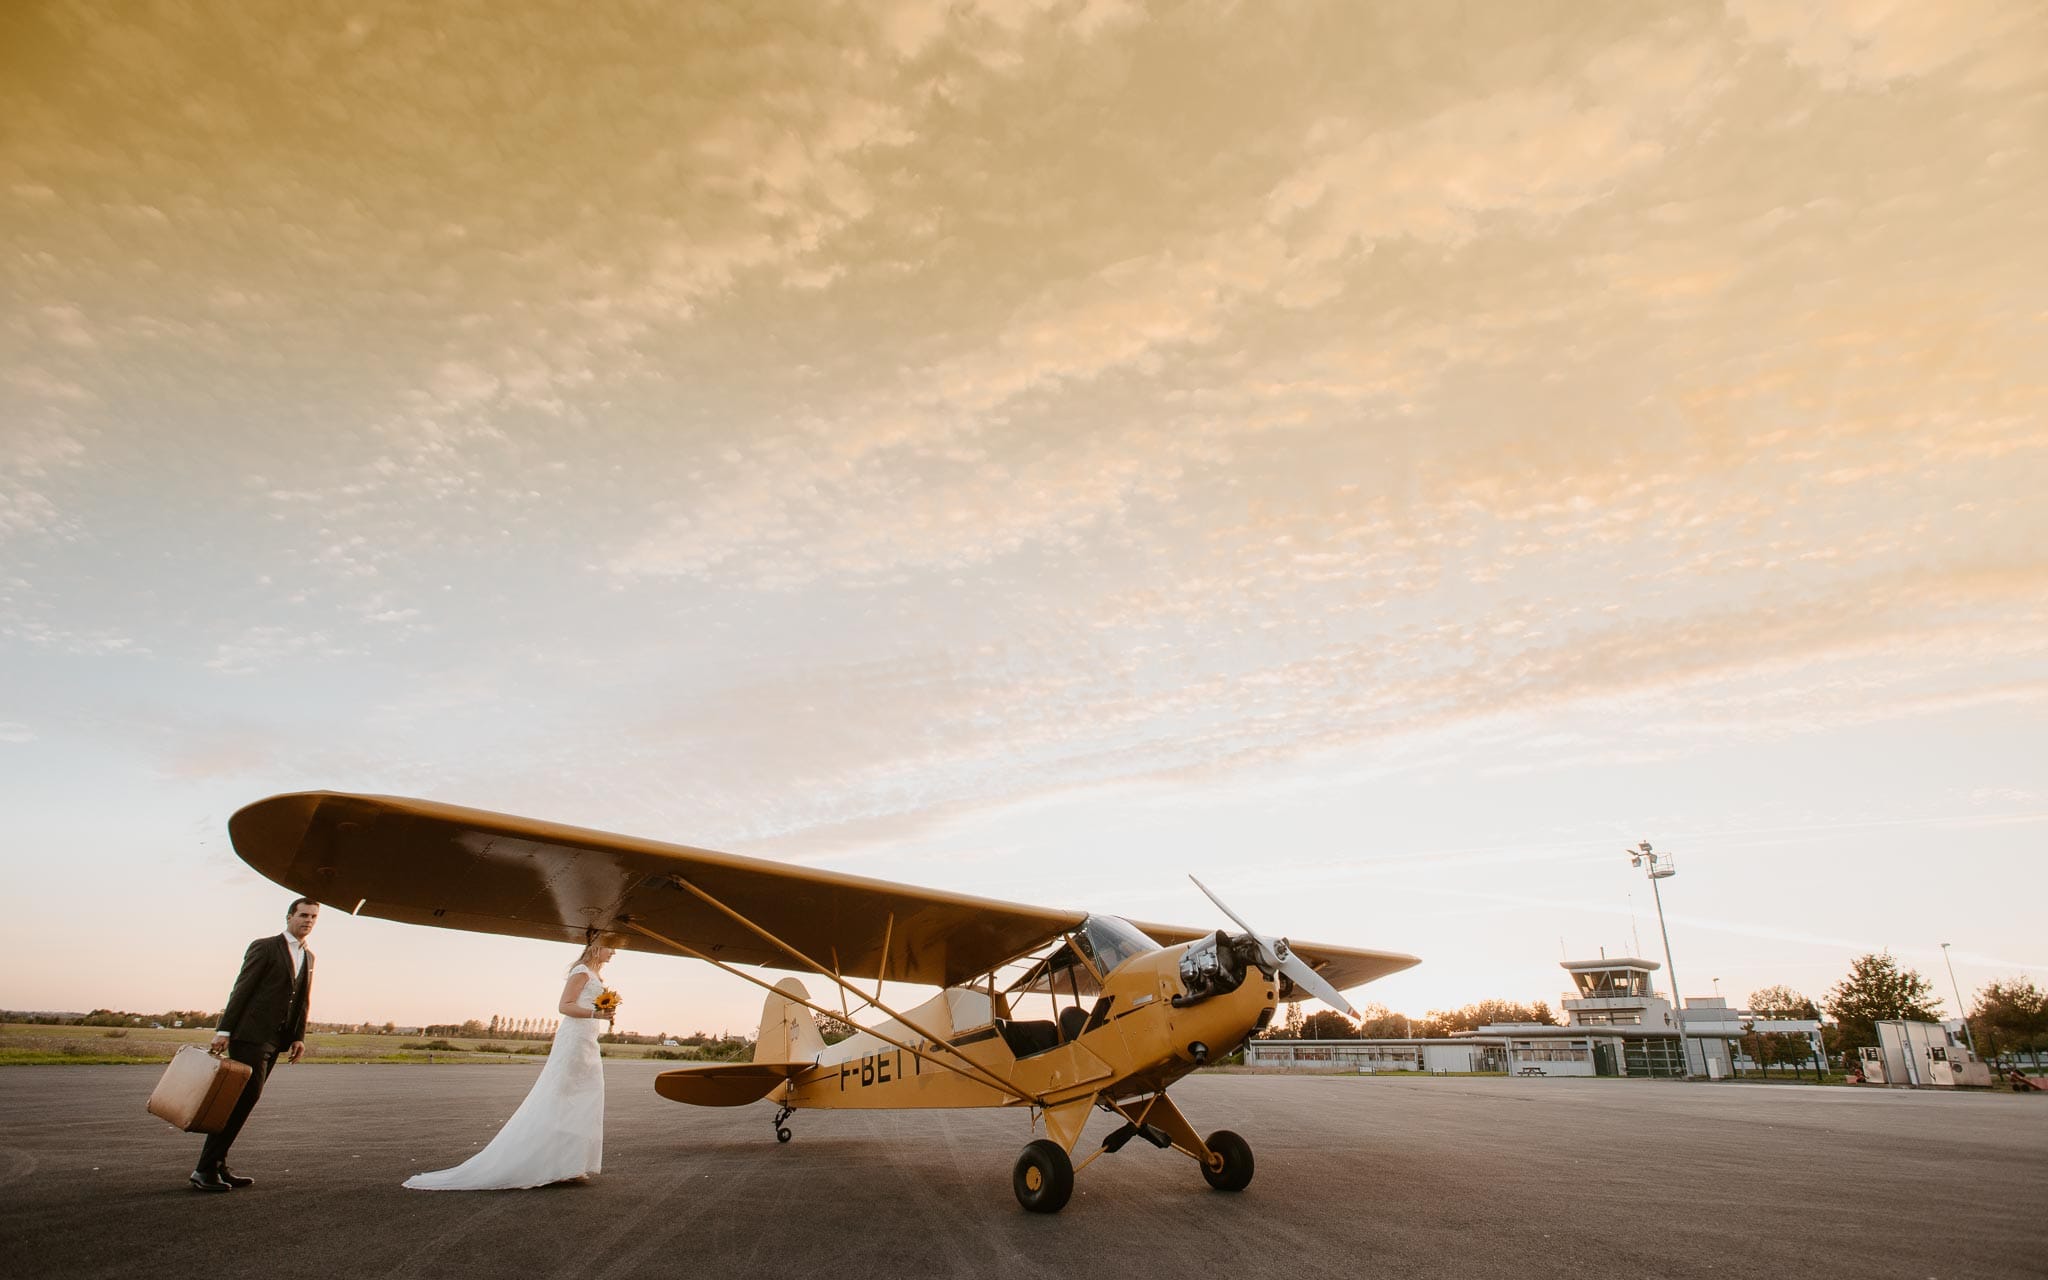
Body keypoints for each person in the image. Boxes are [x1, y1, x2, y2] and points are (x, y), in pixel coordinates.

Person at [404, 941, 616, 1190]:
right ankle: (552, 1164)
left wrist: (603, 1013)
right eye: (609, 947)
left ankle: (569, 1164)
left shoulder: (595, 975)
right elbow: (564, 1006)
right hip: (574, 1040)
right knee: (562, 1096)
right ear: (595, 947)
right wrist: (595, 1014)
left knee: (583, 1097)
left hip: (588, 1040)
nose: (613, 952)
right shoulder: (581, 971)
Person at [191, 897, 319, 1192]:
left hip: (277, 1039)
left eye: (313, 917)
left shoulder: (309, 957)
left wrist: (299, 1036)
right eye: (303, 915)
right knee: (244, 1098)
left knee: (243, 1101)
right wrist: (224, 1030)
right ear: (289, 916)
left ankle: (217, 1165)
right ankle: (205, 1168)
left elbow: (302, 1001)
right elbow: (243, 988)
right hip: (250, 1034)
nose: (308, 921)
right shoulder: (265, 946)